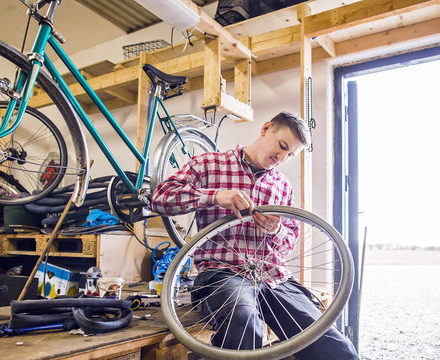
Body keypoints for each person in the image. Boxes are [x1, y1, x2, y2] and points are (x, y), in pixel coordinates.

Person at [151, 111, 358, 359]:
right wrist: (215, 196)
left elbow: (290, 238)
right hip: (223, 273)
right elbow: (160, 198)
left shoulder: (282, 186)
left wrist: (277, 230)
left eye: (289, 155)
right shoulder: (208, 164)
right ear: (265, 128)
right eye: (281, 146)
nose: (281, 158)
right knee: (245, 325)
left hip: (274, 277)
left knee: (334, 346)